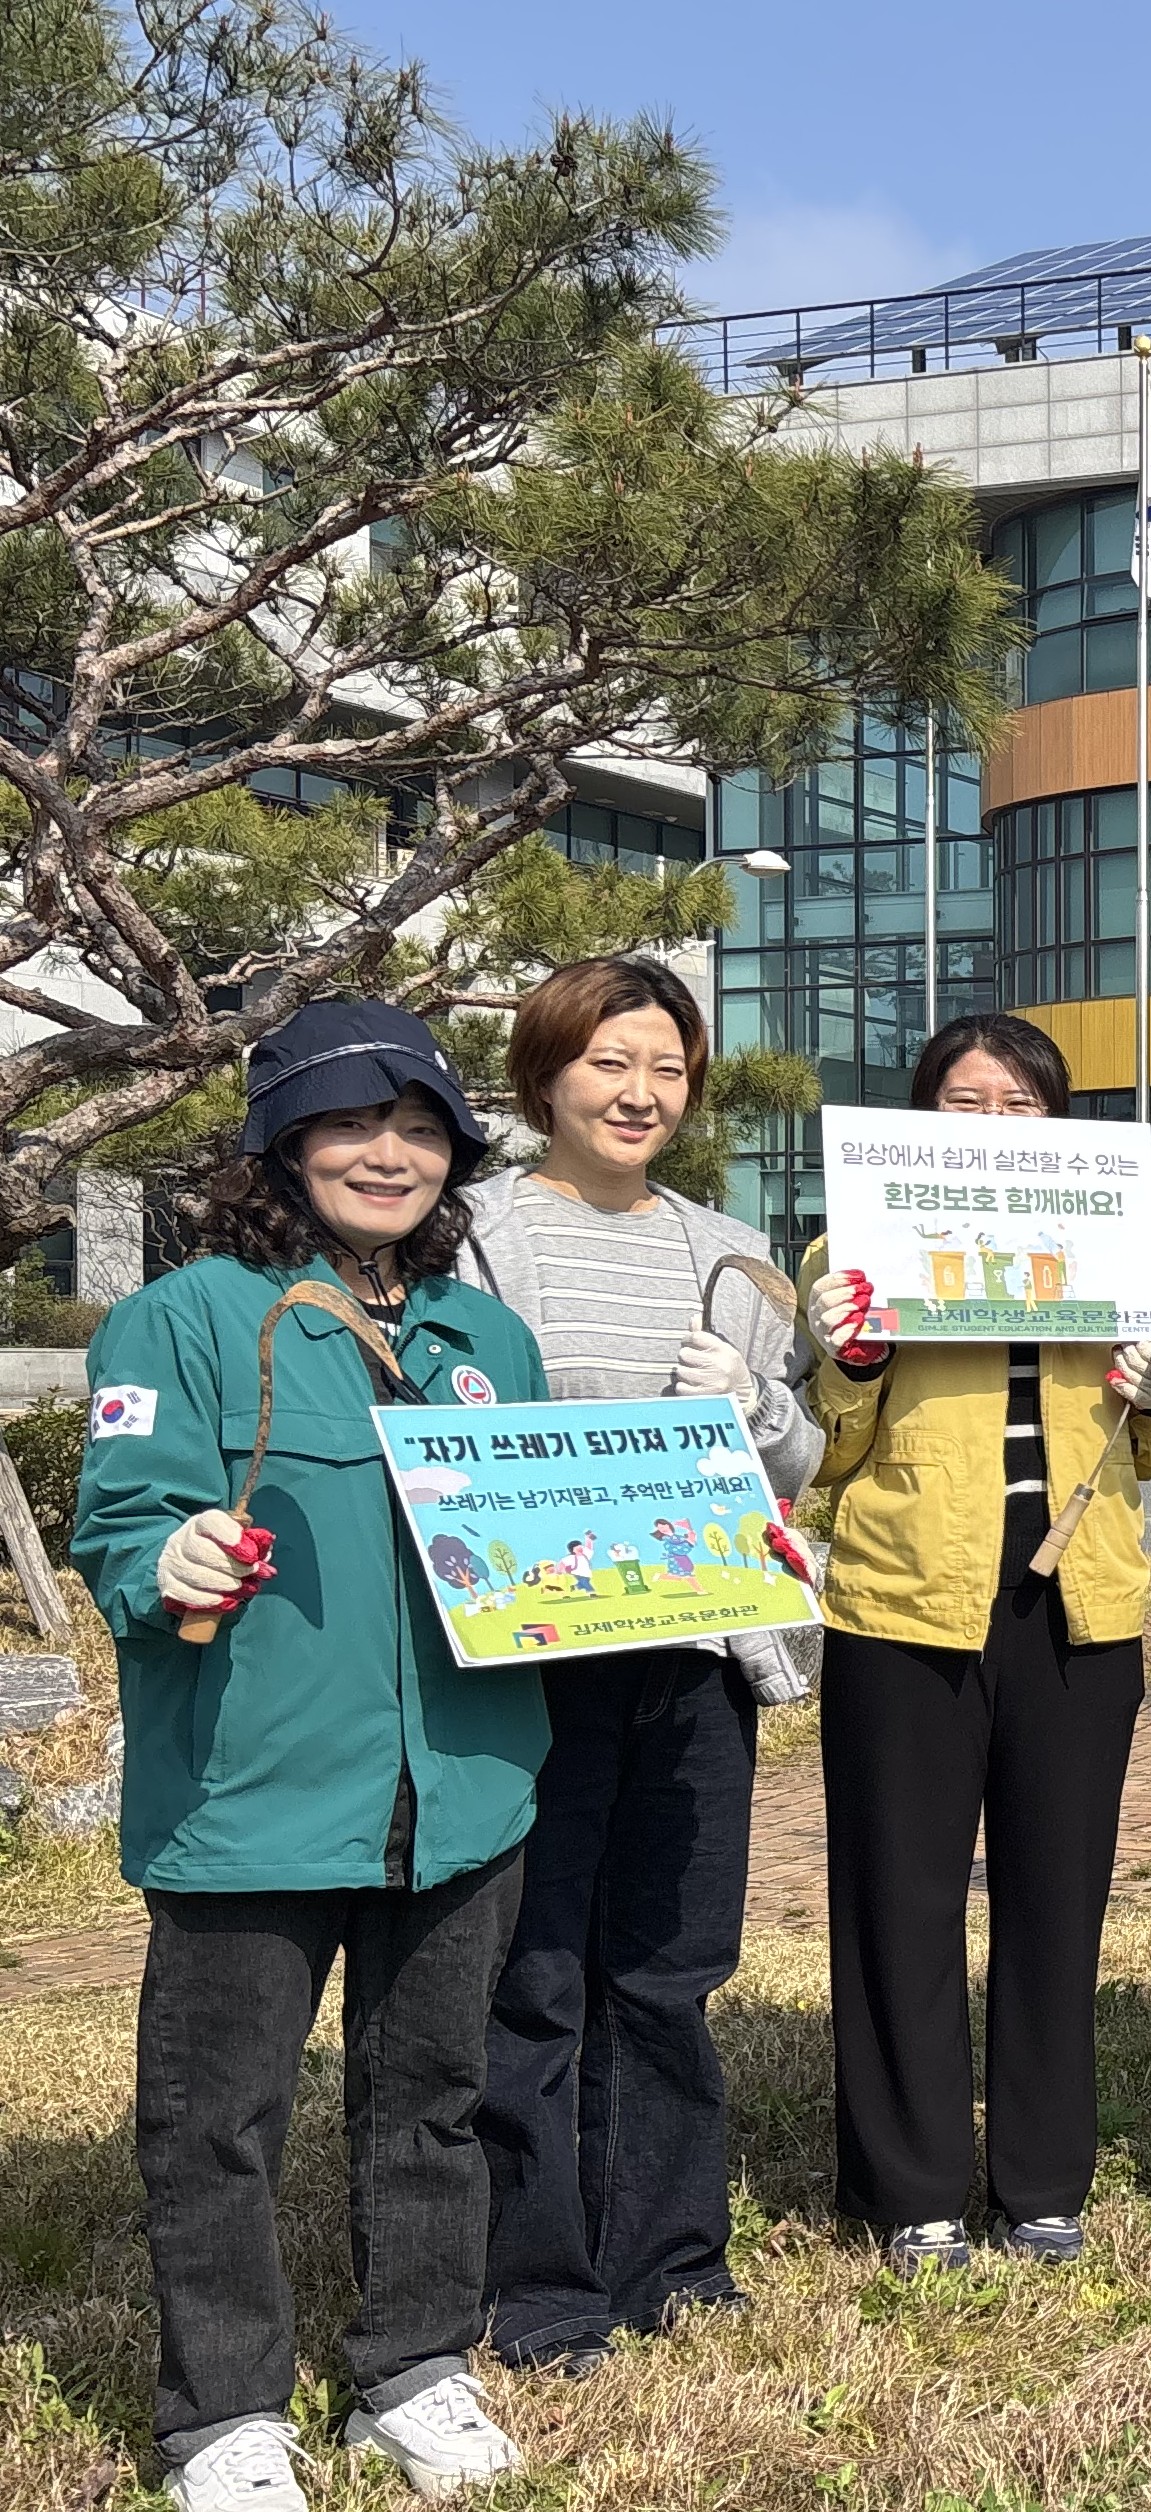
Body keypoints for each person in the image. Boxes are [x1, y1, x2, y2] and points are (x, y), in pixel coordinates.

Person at [75, 1003, 552, 2509]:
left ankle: (412, 2370)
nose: (389, 1153)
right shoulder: (191, 1317)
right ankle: (223, 2414)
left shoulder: (489, 1337)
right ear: (281, 1144)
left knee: (431, 2095)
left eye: (419, 1129)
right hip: (254, 1796)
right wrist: (176, 1557)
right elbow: (120, 1524)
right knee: (217, 2120)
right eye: (352, 1124)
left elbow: (538, 1540)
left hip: (466, 1789)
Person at [459, 956, 820, 2375]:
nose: (641, 1092)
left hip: (696, 1654)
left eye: (667, 1067)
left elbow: (796, 1462)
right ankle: (539, 2283)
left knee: (672, 1963)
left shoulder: (730, 1250)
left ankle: (673, 2255)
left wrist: (758, 1405)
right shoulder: (472, 1236)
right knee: (534, 1966)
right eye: (611, 1061)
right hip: (532, 1659)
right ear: (546, 1074)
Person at [795, 1015, 1151, 2270]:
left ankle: (1039, 2182)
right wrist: (850, 1359)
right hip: (905, 1600)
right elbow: (823, 1458)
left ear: (1056, 1124)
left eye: (1019, 1105)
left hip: (1077, 1601)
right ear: (920, 1119)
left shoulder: (1113, 1246)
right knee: (899, 1899)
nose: (992, 1124)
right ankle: (910, 2188)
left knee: (1056, 1898)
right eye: (965, 1101)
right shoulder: (850, 1250)